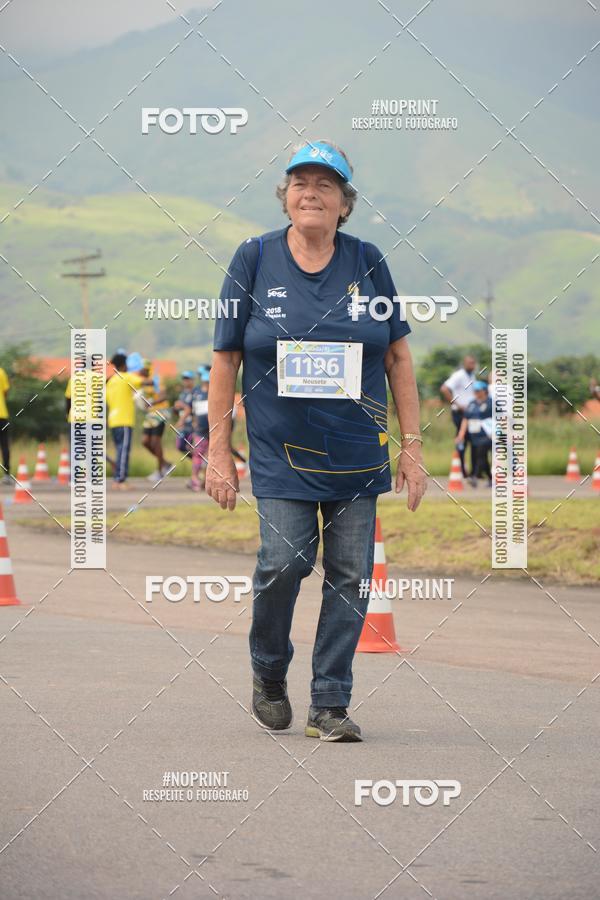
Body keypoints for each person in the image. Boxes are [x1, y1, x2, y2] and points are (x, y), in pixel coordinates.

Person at [207, 139, 426, 743]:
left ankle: (329, 703)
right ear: (286, 198)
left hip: (356, 453)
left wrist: (411, 446)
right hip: (280, 453)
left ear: (344, 204)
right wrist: (218, 451)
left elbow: (398, 357)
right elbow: (225, 360)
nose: (311, 193)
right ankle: (268, 671)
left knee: (350, 573)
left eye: (325, 185)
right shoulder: (254, 257)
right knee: (285, 564)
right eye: (300, 183)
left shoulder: (368, 261)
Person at [105, 352, 144, 489]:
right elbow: (143, 382)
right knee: (124, 451)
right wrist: (145, 374)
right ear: (123, 365)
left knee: (119, 450)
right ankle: (120, 480)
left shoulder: (110, 381)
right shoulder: (126, 377)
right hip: (124, 420)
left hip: (113, 420)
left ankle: (118, 479)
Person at [440, 354, 478, 478]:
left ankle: (474, 471)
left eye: (473, 363)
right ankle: (462, 469)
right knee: (462, 439)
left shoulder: (472, 376)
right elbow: (444, 388)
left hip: (471, 412)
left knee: (474, 440)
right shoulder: (459, 375)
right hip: (460, 412)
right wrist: (456, 404)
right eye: (470, 363)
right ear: (464, 363)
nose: (472, 365)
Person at [138, 358, 172, 482]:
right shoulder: (143, 381)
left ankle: (160, 471)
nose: (138, 372)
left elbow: (164, 396)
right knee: (145, 441)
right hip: (150, 414)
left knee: (155, 442)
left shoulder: (156, 379)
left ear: (146, 368)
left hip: (160, 412)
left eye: (140, 369)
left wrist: (151, 402)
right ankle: (166, 464)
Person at [456, 381, 492, 487]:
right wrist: (461, 434)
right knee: (482, 457)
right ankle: (490, 478)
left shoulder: (491, 403)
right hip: (474, 436)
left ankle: (474, 477)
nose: (476, 393)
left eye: (478, 391)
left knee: (480, 455)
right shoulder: (472, 404)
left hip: (487, 435)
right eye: (475, 391)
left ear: (484, 391)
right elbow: (465, 419)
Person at [187, 367, 210, 491]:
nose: (206, 384)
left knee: (210, 455)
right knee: (198, 453)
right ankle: (194, 478)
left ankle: (206, 480)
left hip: (213, 429)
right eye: (205, 382)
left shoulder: (215, 392)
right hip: (200, 430)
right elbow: (193, 410)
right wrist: (194, 424)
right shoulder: (197, 393)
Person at [173, 371, 195, 455]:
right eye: (184, 379)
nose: (185, 381)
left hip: (191, 426)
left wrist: (180, 421)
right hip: (183, 426)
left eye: (187, 379)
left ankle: (199, 461)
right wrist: (176, 408)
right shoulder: (182, 394)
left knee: (190, 447)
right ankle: (197, 460)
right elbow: (180, 410)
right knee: (180, 446)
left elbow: (189, 409)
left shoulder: (195, 392)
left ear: (192, 380)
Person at [0, 364, 11, 484]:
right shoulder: (1, 372)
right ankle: (7, 475)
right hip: (1, 414)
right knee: (4, 445)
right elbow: (6, 391)